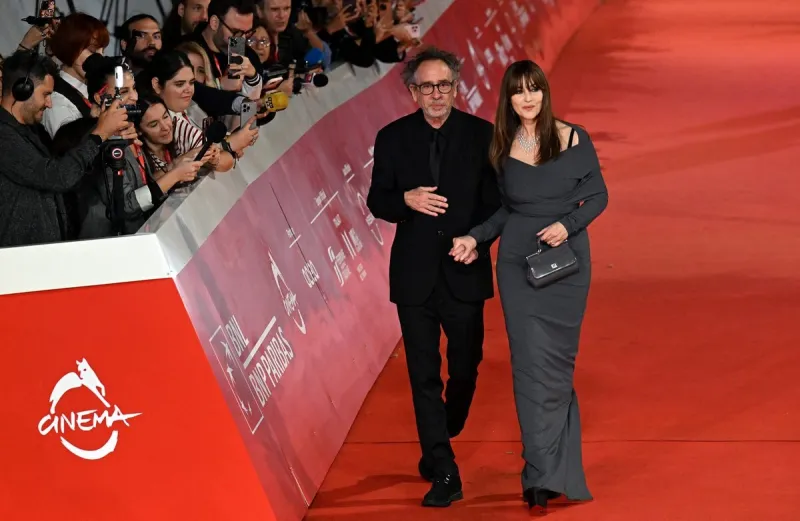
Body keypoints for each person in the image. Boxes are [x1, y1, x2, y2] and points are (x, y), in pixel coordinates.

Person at [450, 60, 609, 512]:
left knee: (556, 367)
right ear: (509, 97)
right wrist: (475, 237)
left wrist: (568, 224)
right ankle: (538, 474)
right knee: (528, 365)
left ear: (545, 92)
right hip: (519, 265)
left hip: (567, 264)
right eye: (519, 91)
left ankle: (551, 470)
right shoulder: (501, 145)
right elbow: (505, 211)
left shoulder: (573, 136)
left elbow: (598, 195)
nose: (528, 98)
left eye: (535, 89)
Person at [366, 46, 501, 508]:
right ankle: (443, 468)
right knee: (423, 373)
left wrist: (476, 240)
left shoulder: (484, 136)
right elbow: (377, 201)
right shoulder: (392, 138)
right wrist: (405, 200)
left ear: (456, 86)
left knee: (465, 368)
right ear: (412, 92)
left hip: (465, 269)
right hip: (415, 274)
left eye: (444, 84)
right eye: (427, 86)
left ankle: (446, 427)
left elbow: (497, 204)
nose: (437, 94)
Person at [0, 50, 130, 247]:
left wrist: (99, 127)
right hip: (19, 260)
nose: (49, 103)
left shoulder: (33, 130)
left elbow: (66, 167)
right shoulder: (3, 135)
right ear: (22, 89)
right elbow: (56, 176)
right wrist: (100, 133)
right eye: (46, 94)